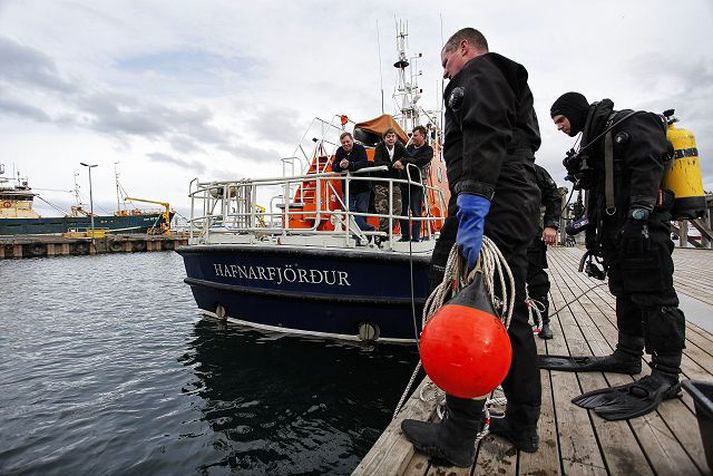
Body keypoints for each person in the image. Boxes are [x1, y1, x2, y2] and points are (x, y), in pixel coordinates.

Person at [400, 28, 542, 467]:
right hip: (514, 198)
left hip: (491, 200)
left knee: (469, 302)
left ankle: (458, 435)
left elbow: (483, 135)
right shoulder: (505, 80)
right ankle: (523, 422)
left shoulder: (480, 73)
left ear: (464, 49)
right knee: (510, 311)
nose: (446, 76)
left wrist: (475, 206)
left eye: (445, 65)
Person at [541, 92, 685, 421]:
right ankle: (628, 353)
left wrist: (639, 214)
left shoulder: (630, 122)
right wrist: (594, 237)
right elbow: (598, 193)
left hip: (644, 229)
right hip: (617, 234)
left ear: (574, 113)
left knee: (656, 296)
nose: (561, 128)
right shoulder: (594, 142)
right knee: (626, 292)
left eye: (561, 120)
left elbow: (648, 164)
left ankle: (667, 372)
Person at [527, 164, 562, 340]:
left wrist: (551, 225)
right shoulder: (494, 166)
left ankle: (543, 321)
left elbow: (554, 196)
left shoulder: (536, 171)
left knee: (537, 280)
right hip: (501, 233)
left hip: (530, 232)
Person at [394, 125, 433, 242]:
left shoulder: (428, 150)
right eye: (412, 135)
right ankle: (405, 236)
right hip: (404, 183)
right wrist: (405, 160)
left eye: (415, 135)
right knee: (402, 210)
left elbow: (419, 162)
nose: (413, 138)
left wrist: (404, 161)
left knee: (416, 210)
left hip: (417, 184)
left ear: (423, 136)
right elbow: (405, 158)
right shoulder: (409, 148)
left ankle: (415, 238)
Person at [331, 131, 374, 232]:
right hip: (347, 188)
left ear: (352, 140)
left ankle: (361, 236)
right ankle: (367, 229)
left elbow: (364, 163)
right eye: (343, 143)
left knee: (362, 211)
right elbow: (334, 166)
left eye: (347, 141)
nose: (346, 144)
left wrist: (349, 165)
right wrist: (340, 165)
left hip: (363, 186)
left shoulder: (360, 149)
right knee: (348, 209)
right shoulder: (340, 151)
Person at [372, 127, 407, 238]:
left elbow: (410, 158)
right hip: (381, 184)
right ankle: (385, 235)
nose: (391, 138)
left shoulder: (400, 147)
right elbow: (377, 162)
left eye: (393, 136)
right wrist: (393, 165)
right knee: (383, 211)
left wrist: (401, 161)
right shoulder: (380, 147)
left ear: (396, 138)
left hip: (395, 184)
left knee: (398, 209)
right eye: (388, 136)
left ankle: (384, 233)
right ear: (384, 138)